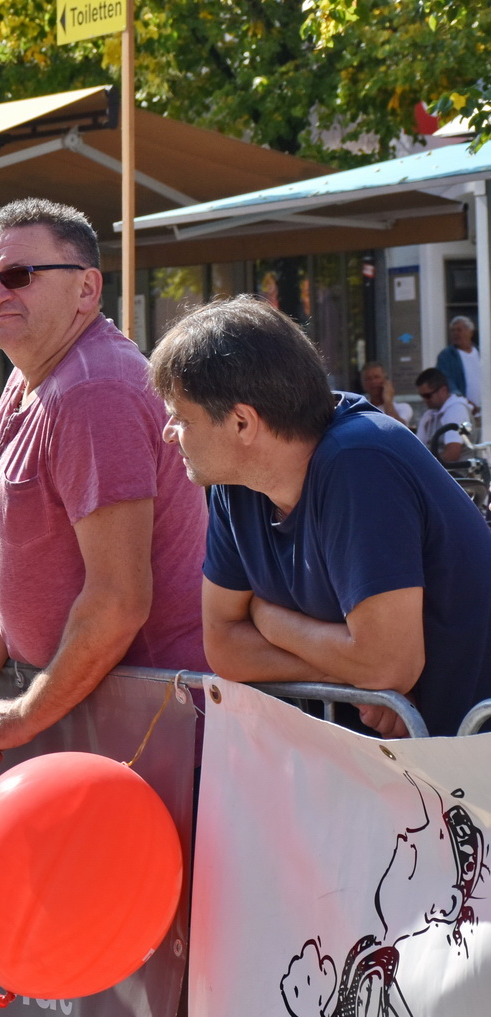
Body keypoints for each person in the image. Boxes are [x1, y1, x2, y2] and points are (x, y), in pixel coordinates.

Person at [0, 197, 207, 780]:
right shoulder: (31, 378)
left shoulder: (94, 389)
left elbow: (118, 601)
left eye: (18, 276)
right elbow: (1, 560)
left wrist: (22, 717)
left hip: (159, 720)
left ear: (87, 289)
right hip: (95, 708)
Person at [154, 296, 491, 738]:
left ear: (242, 423)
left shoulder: (359, 459)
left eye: (180, 418)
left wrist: (268, 619)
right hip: (404, 767)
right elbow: (223, 648)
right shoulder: (232, 482)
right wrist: (360, 680)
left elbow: (388, 662)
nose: (168, 434)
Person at [414, 367, 473, 464]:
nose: (424, 400)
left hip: (457, 474)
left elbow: (452, 453)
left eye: (427, 395)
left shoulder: (456, 410)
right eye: (422, 396)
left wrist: (426, 467)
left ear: (443, 390)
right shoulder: (430, 414)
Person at [437, 314, 481, 410]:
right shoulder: (446, 356)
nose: (455, 333)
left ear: (470, 332)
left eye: (459, 330)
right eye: (453, 330)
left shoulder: (481, 353)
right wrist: (465, 402)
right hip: (464, 409)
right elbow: (447, 381)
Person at [358, 362, 412, 426]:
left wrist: (388, 401)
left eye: (377, 377)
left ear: (386, 381)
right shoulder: (359, 409)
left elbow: (397, 428)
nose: (373, 381)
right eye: (368, 379)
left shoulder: (402, 408)